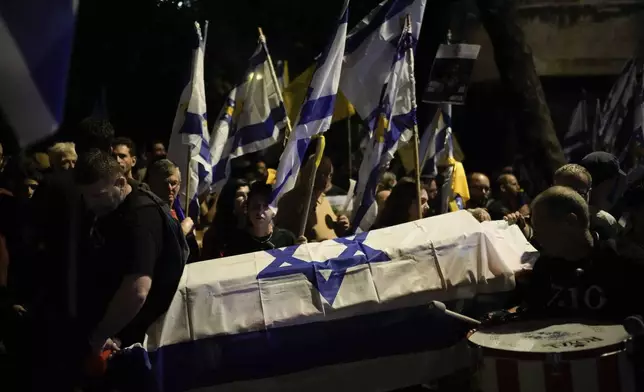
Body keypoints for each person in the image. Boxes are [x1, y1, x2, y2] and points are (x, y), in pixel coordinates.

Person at [75, 150, 186, 352]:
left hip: (135, 341)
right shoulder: (113, 207)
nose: (90, 203)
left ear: (119, 183)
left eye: (97, 195)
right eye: (86, 196)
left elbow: (137, 290)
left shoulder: (140, 218)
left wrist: (100, 335)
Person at [524, 186, 644, 321]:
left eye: (541, 229)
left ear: (570, 221)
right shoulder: (544, 267)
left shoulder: (627, 262)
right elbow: (533, 315)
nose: (537, 238)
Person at [275, 156, 350, 242]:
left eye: (330, 175)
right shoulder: (290, 200)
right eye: (322, 174)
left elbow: (330, 232)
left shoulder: (323, 199)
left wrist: (340, 228)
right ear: (310, 173)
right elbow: (282, 236)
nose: (327, 180)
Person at [146, 159, 199, 263]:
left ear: (179, 184)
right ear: (152, 184)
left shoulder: (178, 211)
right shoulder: (148, 212)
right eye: (164, 183)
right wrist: (182, 231)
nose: (169, 188)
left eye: (174, 183)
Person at [223, 182, 296, 257]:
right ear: (248, 210)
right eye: (255, 206)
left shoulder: (287, 239)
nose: (260, 212)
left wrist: (303, 250)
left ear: (274, 211)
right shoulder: (235, 243)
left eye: (265, 206)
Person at [553, 163, 620, 240]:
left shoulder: (605, 223)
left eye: (579, 193)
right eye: (563, 192)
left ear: (589, 193)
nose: (571, 198)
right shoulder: (541, 217)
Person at [201, 178, 250, 260]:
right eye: (240, 195)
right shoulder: (214, 234)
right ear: (230, 200)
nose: (246, 199)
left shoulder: (256, 229)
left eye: (248, 194)